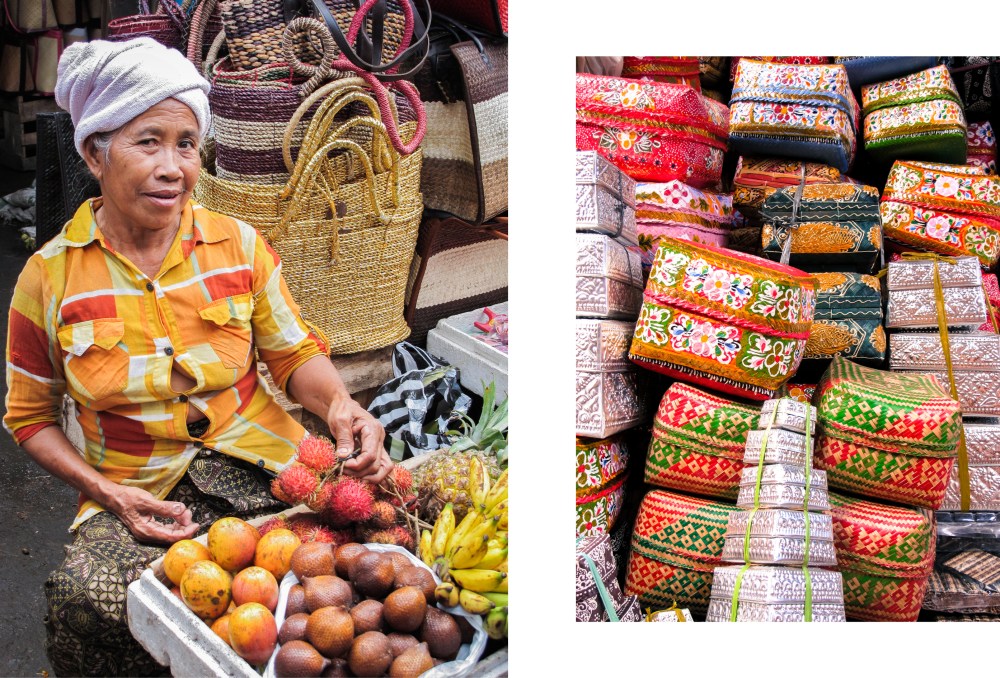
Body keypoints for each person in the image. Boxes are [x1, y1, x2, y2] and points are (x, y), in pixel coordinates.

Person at [3, 37, 392, 676]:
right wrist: (107, 493)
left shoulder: (237, 244)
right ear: (94, 154)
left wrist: (342, 404)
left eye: (186, 143)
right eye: (146, 141)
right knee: (87, 602)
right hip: (137, 490)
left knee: (361, 562)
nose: (172, 166)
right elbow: (28, 419)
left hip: (262, 456)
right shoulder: (48, 278)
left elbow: (295, 355)